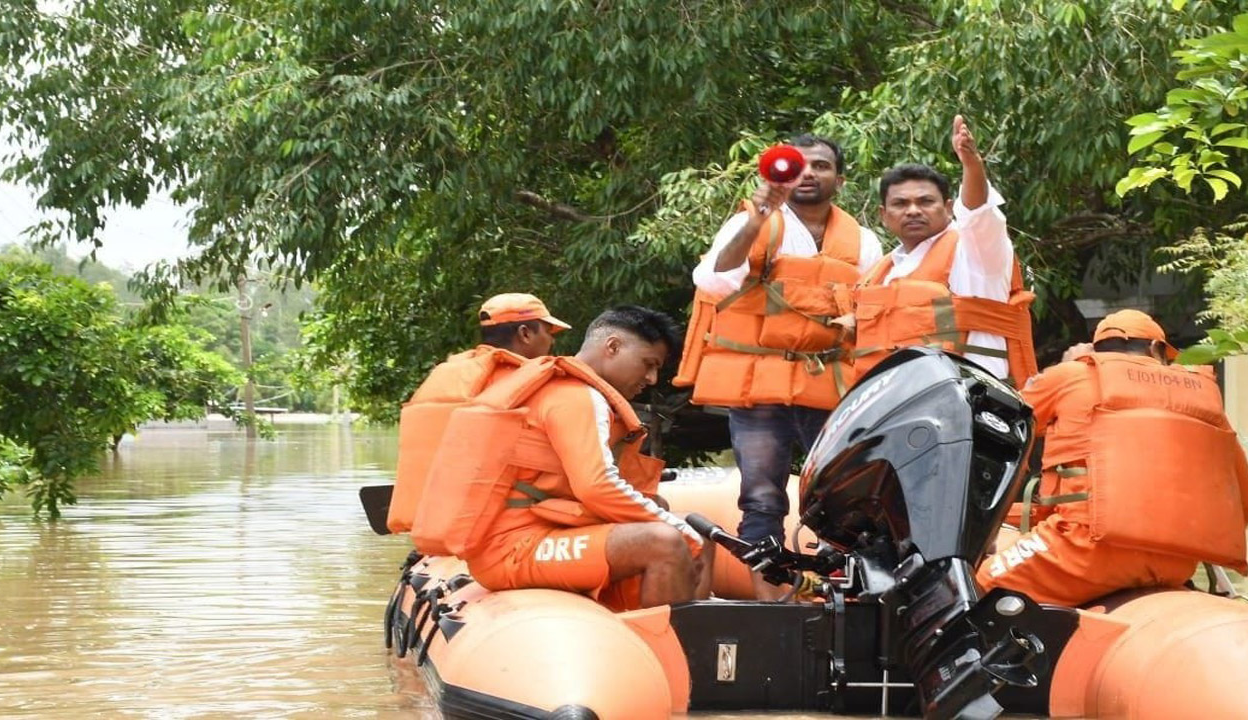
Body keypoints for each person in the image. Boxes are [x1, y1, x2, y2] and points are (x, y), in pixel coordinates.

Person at [674, 134, 882, 599]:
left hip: (828, 386)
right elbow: (713, 278)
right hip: (760, 388)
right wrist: (759, 216)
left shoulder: (863, 240)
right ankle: (771, 601)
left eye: (821, 166)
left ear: (839, 180)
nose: (809, 173)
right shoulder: (754, 221)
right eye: (800, 165)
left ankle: (842, 595)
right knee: (762, 496)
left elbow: (874, 304)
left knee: (845, 496)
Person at [414, 306, 708, 609]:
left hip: (538, 535)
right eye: (648, 364)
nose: (652, 378)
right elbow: (597, 487)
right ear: (613, 346)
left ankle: (692, 627)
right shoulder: (578, 396)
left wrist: (683, 530)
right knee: (667, 542)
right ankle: (672, 637)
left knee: (690, 529)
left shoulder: (564, 388)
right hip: (512, 548)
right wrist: (682, 534)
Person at [977, 309, 1248, 606]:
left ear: (1096, 351)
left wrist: (1064, 367)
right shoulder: (1204, 396)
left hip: (1084, 551)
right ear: (1157, 349)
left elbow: (1000, 423)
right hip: (1176, 565)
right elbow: (1247, 498)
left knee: (975, 589)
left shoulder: (1071, 374)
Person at [848, 115, 1037, 388]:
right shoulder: (878, 274)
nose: (913, 210)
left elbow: (977, 212)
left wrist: (972, 164)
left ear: (948, 208)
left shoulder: (974, 251)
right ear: (883, 215)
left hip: (970, 397)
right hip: (893, 401)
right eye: (900, 204)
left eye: (926, 201)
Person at [385, 292, 569, 534]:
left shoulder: (444, 375)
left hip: (427, 522)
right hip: (494, 528)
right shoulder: (530, 386)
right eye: (547, 331)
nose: (551, 341)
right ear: (525, 333)